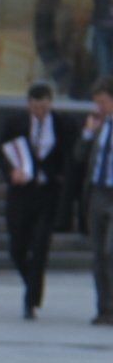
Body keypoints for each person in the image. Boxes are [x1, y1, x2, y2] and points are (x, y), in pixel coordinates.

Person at [0, 81, 78, 320]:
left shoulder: (64, 124)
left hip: (49, 193)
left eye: (44, 107)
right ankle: (31, 282)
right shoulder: (15, 123)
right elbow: (0, 151)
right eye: (35, 107)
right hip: (22, 192)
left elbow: (71, 156)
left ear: (50, 104)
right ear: (28, 105)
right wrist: (11, 172)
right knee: (17, 247)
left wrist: (63, 179)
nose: (39, 112)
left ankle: (30, 301)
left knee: (40, 246)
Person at [74, 76, 113, 324]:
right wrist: (87, 134)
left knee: (111, 251)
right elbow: (79, 157)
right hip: (98, 191)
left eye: (103, 102)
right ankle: (104, 308)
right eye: (97, 103)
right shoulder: (99, 126)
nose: (99, 108)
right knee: (98, 253)